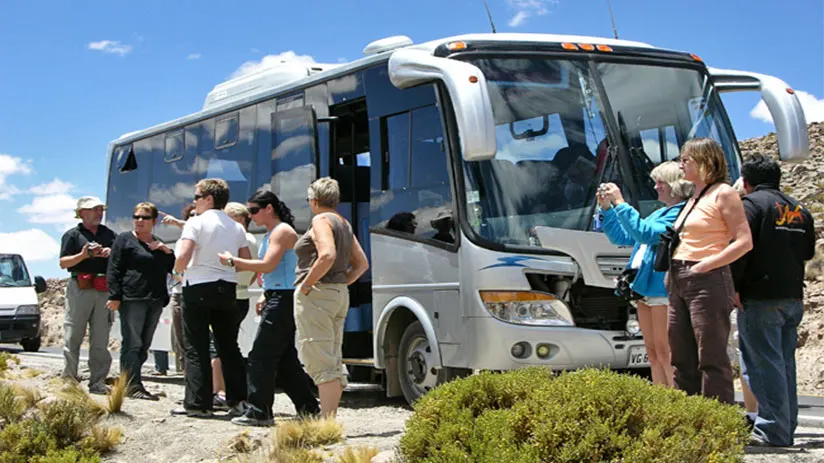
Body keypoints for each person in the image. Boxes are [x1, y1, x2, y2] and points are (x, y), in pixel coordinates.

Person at [731, 154, 816, 446]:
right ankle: (785, 427)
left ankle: (772, 431)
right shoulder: (800, 209)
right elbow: (807, 253)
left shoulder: (751, 205)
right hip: (793, 296)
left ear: (745, 181)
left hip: (759, 297)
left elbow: (739, 250)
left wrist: (734, 286)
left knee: (762, 365)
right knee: (784, 365)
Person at [219, 191, 320, 426]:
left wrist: (233, 261)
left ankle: (259, 411)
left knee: (260, 356)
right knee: (285, 358)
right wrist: (265, 293)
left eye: (253, 210)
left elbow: (267, 265)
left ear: (269, 209)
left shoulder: (282, 231)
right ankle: (308, 408)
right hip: (278, 296)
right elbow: (276, 271)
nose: (250, 216)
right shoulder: (272, 233)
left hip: (283, 299)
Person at [667, 138, 753, 405]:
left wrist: (706, 264)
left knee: (711, 356)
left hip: (707, 278)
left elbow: (744, 241)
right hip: (678, 278)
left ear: (705, 160)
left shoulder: (724, 193)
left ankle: (719, 426)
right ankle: (689, 424)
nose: (680, 164)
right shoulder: (694, 196)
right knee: (681, 356)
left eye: (686, 159)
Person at [598, 161, 693, 387]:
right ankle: (661, 399)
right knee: (652, 351)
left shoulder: (680, 213)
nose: (657, 186)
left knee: (665, 350)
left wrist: (620, 202)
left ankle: (675, 401)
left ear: (676, 185)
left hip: (661, 288)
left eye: (662, 182)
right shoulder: (661, 212)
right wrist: (607, 209)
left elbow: (645, 234)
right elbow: (622, 237)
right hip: (645, 288)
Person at [171, 179, 252, 418]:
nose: (194, 201)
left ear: (208, 199)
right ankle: (238, 401)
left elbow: (184, 255)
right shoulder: (236, 227)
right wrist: (224, 271)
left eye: (197, 197)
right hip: (226, 288)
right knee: (229, 346)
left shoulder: (195, 222)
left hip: (197, 286)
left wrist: (177, 271)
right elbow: (244, 261)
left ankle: (199, 404)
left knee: (196, 347)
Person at [294, 177, 370, 418]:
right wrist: (341, 283)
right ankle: (330, 418)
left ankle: (326, 423)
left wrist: (307, 284)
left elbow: (327, 254)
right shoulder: (343, 223)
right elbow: (362, 264)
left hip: (318, 294)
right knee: (333, 357)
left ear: (314, 200)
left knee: (319, 357)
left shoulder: (320, 220)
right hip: (338, 293)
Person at [106, 202, 176, 400]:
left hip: (154, 299)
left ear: (154, 221)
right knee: (132, 342)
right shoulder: (124, 239)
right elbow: (114, 268)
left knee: (144, 344)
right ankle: (131, 386)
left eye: (144, 217)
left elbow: (174, 268)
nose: (139, 221)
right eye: (136, 216)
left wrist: (166, 250)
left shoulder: (158, 243)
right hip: (132, 298)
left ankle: (133, 382)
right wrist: (114, 295)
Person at [58, 196, 116, 395]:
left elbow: (119, 261)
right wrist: (83, 255)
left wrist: (110, 253)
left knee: (101, 337)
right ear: (82, 213)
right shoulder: (72, 235)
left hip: (103, 288)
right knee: (73, 334)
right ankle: (69, 379)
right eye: (94, 209)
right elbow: (64, 263)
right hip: (79, 287)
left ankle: (97, 381)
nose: (99, 213)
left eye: (100, 209)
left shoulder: (109, 235)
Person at [210, 202, 259, 410]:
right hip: (243, 296)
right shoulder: (253, 240)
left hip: (228, 296)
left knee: (219, 348)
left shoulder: (238, 241)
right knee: (229, 344)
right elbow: (255, 273)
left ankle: (219, 393)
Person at [152, 204, 197, 376]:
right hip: (180, 292)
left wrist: (179, 223)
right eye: (190, 216)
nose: (194, 219)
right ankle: (188, 375)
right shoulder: (181, 242)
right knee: (181, 337)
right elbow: (176, 268)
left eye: (197, 215)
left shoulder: (208, 237)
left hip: (198, 291)